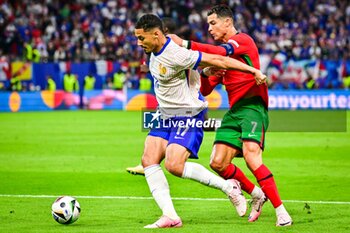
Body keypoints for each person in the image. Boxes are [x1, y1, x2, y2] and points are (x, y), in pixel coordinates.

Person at [134, 14, 266, 228]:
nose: (139, 43)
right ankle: (171, 216)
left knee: (174, 165)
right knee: (149, 159)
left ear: (156, 35)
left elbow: (220, 60)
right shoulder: (153, 50)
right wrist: (202, 72)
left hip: (187, 113)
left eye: (141, 38)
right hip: (165, 113)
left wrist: (252, 70)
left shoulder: (175, 53)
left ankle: (229, 188)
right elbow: (189, 72)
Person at [169, 4, 292, 227]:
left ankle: (281, 212)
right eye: (208, 24)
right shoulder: (222, 60)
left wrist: (185, 44)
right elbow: (205, 90)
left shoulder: (243, 41)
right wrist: (205, 71)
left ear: (228, 22)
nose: (209, 28)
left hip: (253, 106)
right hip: (234, 112)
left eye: (213, 23)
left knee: (251, 156)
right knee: (217, 162)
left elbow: (223, 53)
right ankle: (256, 193)